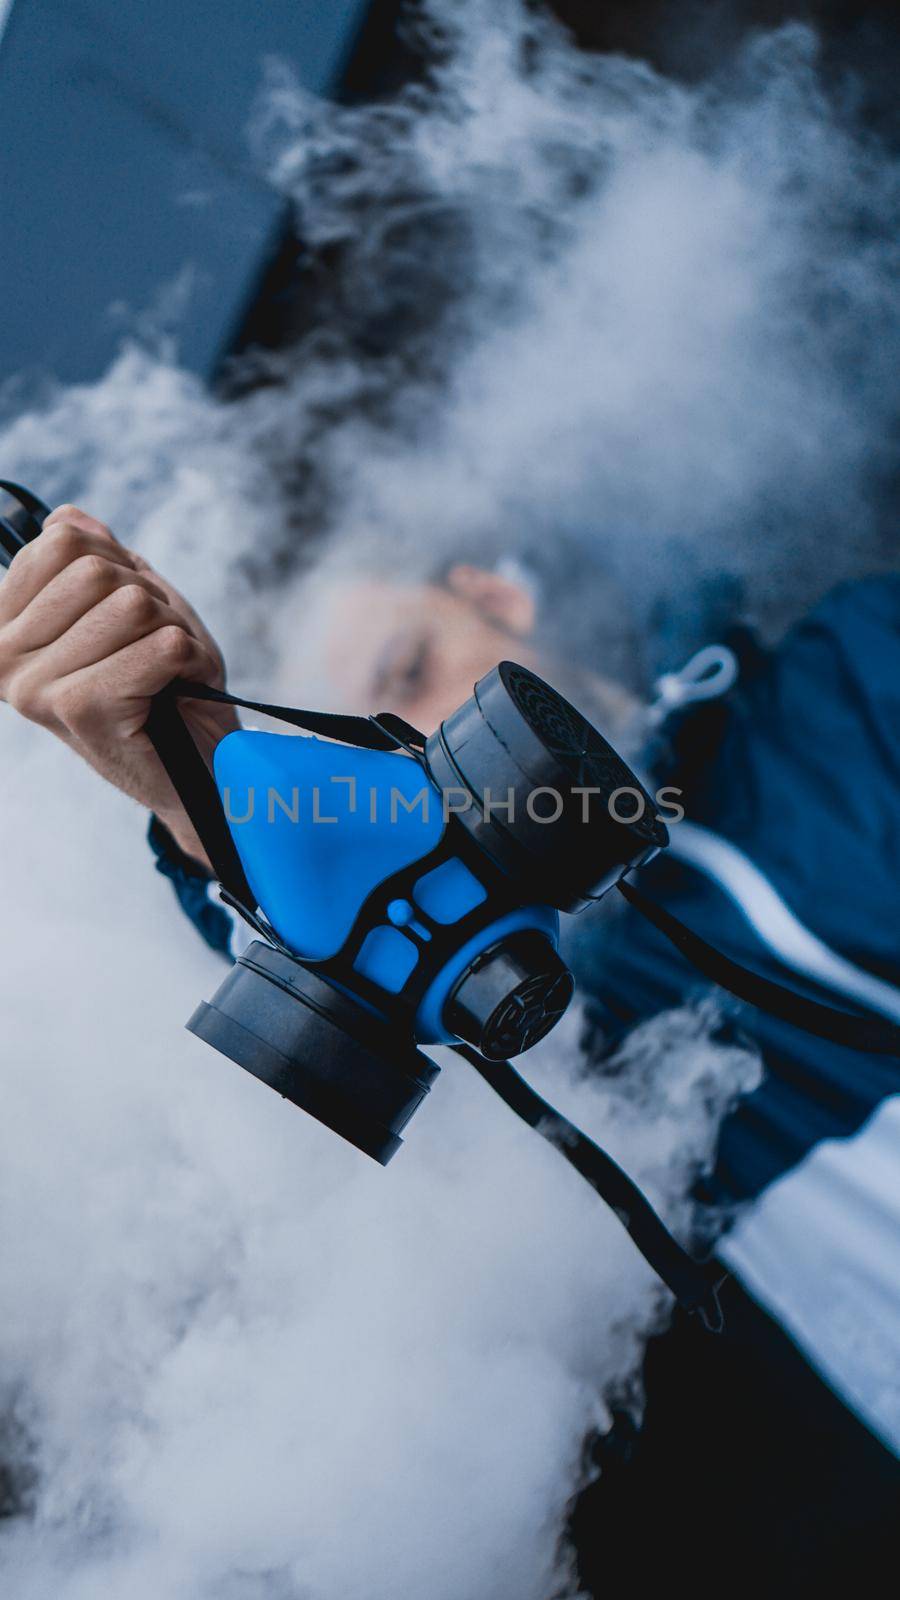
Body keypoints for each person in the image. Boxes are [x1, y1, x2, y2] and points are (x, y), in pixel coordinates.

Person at [1, 502, 898, 1584]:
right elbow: (401, 1159)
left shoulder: (857, 676)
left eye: (408, 671)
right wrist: (199, 785)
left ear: (495, 596)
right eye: (351, 772)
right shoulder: (541, 1061)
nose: (415, 778)